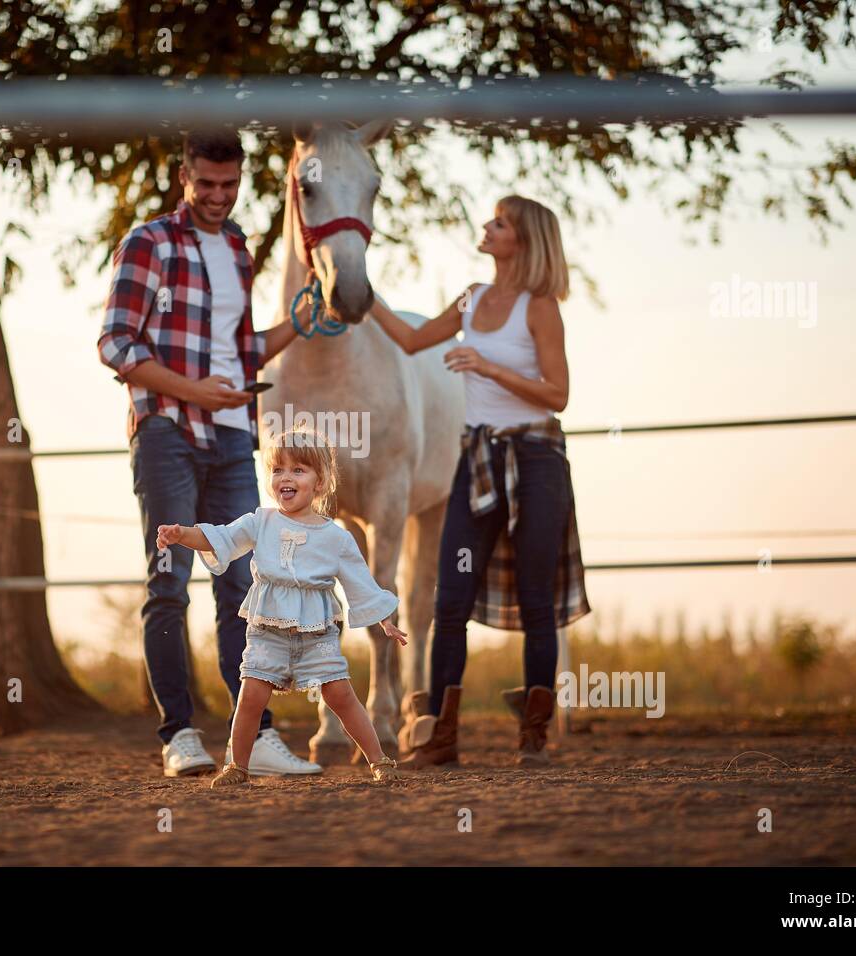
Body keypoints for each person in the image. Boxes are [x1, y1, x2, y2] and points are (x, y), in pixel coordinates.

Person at [98, 129, 314, 778]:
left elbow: (243, 354)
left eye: (230, 184)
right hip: (166, 430)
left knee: (243, 584)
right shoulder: (149, 243)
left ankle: (256, 737)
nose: (219, 196)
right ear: (184, 176)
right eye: (207, 184)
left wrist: (298, 326)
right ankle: (178, 735)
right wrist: (193, 390)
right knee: (169, 581)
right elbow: (115, 346)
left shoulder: (241, 249)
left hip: (231, 438)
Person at [367, 195, 591, 767]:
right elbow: (413, 341)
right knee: (451, 600)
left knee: (537, 600)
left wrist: (487, 367)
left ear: (523, 240)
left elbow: (559, 394)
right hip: (477, 461)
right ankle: (441, 737)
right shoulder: (470, 298)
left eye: (500, 223)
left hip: (536, 460)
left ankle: (533, 737)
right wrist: (362, 292)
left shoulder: (540, 308)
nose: (487, 228)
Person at [156, 429, 407, 787]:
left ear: (321, 483)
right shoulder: (261, 522)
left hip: (316, 631)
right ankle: (237, 766)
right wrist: (183, 535)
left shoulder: (336, 537)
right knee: (251, 696)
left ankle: (380, 761)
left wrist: (385, 620)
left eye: (299, 470)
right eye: (278, 469)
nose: (286, 477)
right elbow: (221, 538)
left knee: (341, 694)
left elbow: (361, 583)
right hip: (267, 628)